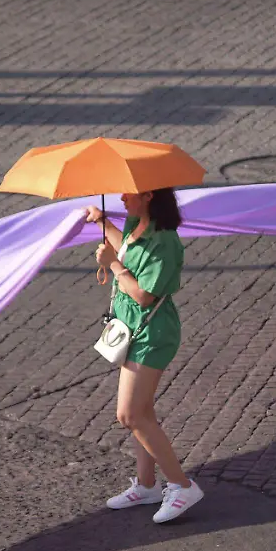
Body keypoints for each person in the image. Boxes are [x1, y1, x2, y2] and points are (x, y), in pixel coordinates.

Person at [85, 188, 204, 523]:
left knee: (130, 415)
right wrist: (103, 221)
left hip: (151, 334)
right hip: (133, 329)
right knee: (143, 412)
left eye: (129, 193)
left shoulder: (165, 243)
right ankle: (147, 486)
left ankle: (182, 486)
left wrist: (114, 266)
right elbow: (123, 243)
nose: (122, 197)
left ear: (149, 195)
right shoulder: (138, 223)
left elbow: (144, 296)